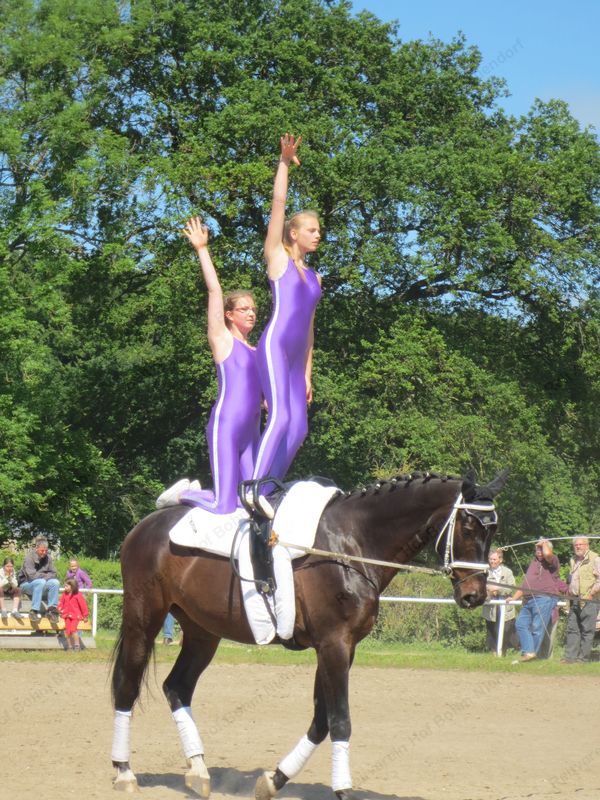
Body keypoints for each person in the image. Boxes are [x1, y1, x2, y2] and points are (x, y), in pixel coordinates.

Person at [156, 217, 262, 514]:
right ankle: (185, 494)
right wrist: (202, 249)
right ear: (229, 315)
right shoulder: (222, 340)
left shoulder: (258, 352)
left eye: (254, 309)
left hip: (252, 433)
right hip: (226, 426)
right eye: (244, 309)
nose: (251, 314)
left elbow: (265, 397)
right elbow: (215, 292)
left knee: (252, 501)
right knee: (223, 504)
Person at [250, 134, 322, 498]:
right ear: (293, 234)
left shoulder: (315, 277)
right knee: (279, 417)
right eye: (312, 230)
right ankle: (251, 488)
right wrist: (283, 163)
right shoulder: (278, 259)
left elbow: (309, 329)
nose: (317, 235)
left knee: (298, 430)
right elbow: (278, 205)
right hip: (275, 347)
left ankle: (266, 492)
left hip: (296, 361)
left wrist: (307, 373)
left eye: (319, 231)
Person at [508, 538, 567, 662]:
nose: (539, 551)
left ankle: (529, 655)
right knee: (520, 624)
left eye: (541, 549)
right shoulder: (533, 563)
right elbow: (525, 584)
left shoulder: (553, 560)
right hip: (528, 600)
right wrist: (513, 598)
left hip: (543, 598)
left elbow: (548, 554)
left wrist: (543, 543)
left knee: (537, 627)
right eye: (537, 549)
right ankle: (529, 652)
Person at [562, 537, 600, 663]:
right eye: (576, 545)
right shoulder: (573, 560)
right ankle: (570, 658)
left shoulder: (595, 559)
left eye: (580, 544)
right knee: (572, 629)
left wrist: (591, 594)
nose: (578, 547)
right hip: (574, 599)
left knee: (587, 631)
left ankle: (582, 659)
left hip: (589, 600)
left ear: (587, 545)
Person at [482, 548, 517, 655]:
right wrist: (489, 591)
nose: (492, 561)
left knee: (506, 632)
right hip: (491, 608)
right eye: (490, 559)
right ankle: (494, 655)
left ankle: (503, 654)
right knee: (492, 632)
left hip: (505, 608)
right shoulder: (484, 572)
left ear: (500, 560)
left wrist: (497, 590)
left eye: (494, 559)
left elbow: (511, 587)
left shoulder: (507, 572)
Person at [18, 537, 60, 623]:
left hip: (40, 584)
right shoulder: (29, 558)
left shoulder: (48, 558)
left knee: (55, 582)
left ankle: (52, 610)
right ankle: (34, 611)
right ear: (36, 548)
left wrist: (42, 576)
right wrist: (45, 576)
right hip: (25, 584)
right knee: (40, 582)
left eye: (46, 551)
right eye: (42, 550)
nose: (44, 553)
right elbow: (32, 576)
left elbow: (54, 573)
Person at [58, 578, 89, 651]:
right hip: (66, 615)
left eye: (66, 586)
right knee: (67, 631)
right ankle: (69, 646)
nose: (65, 588)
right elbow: (61, 603)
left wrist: (85, 615)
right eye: (64, 586)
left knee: (73, 630)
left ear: (72, 586)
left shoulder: (78, 595)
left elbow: (83, 606)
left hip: (75, 616)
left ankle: (77, 646)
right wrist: (59, 609)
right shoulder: (64, 594)